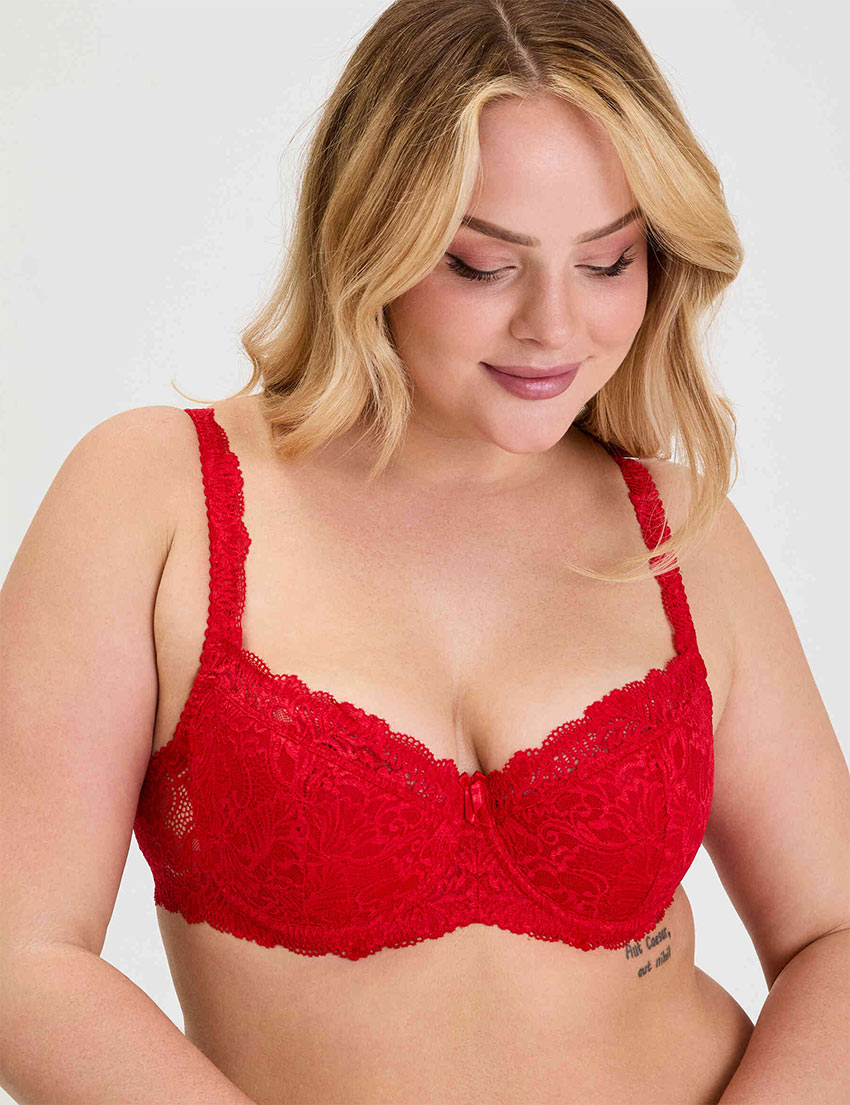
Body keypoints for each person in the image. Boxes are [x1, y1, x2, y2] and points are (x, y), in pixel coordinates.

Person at [2, 1, 848, 1103]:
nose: (554, 326)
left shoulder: (679, 530)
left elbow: (834, 933)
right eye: (483, 265)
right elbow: (24, 958)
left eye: (607, 261)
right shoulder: (157, 496)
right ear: (371, 235)